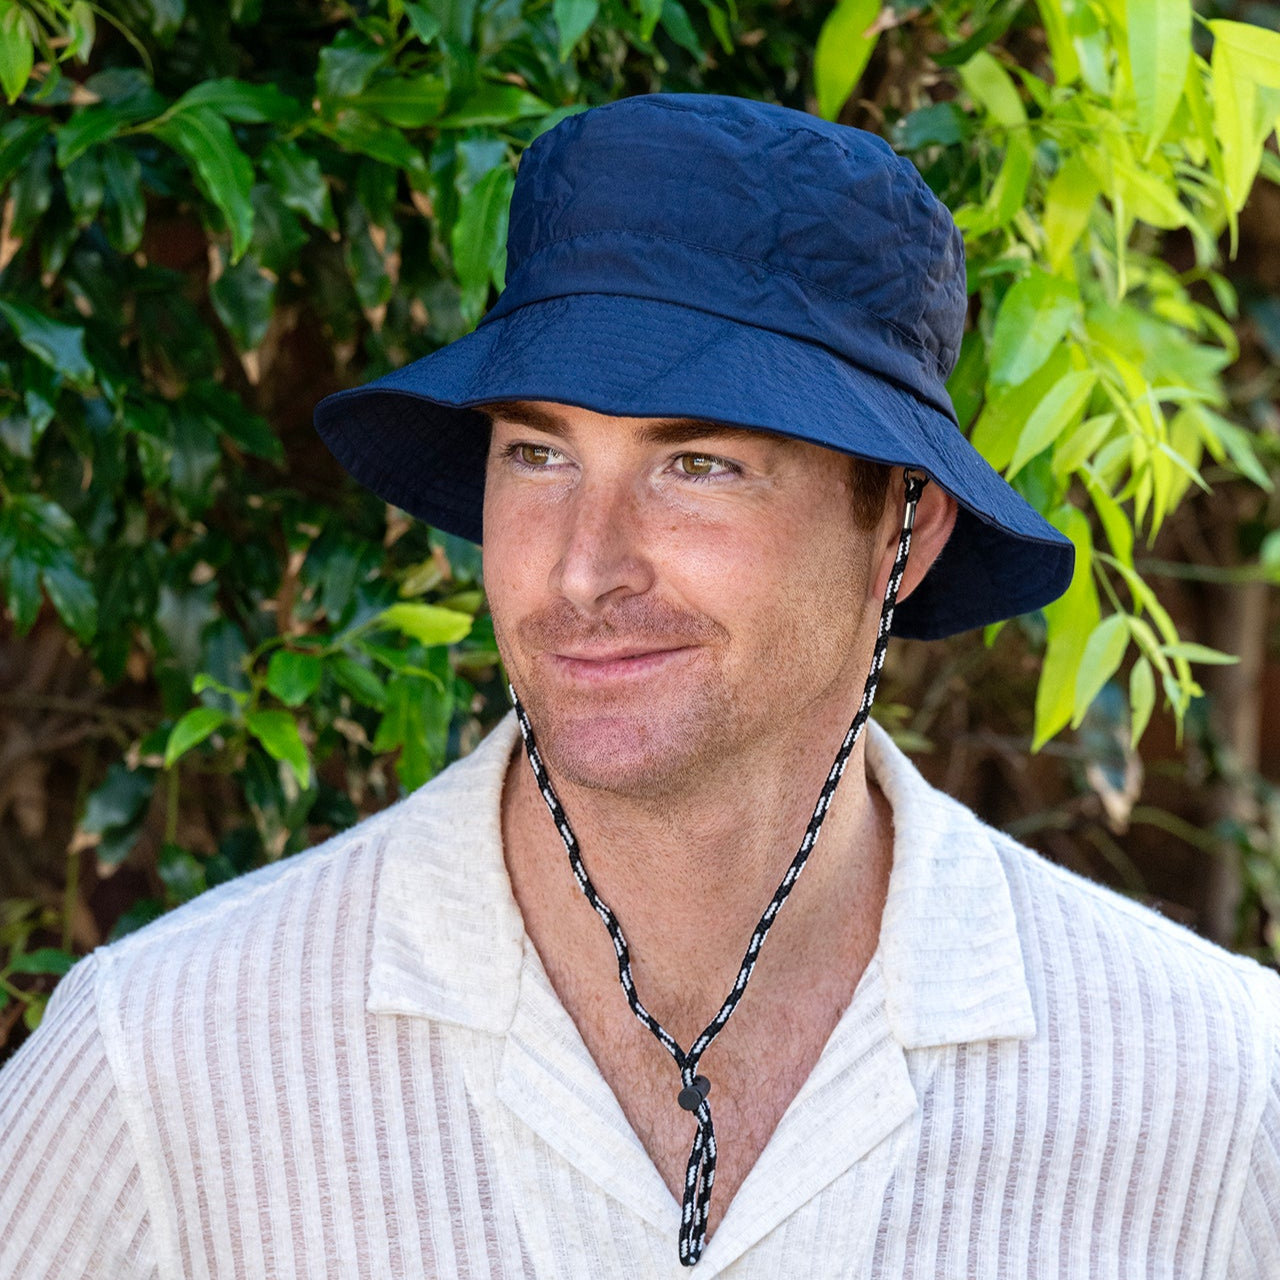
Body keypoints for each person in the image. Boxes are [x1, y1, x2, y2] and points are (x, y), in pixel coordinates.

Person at [1, 93, 1277, 1278]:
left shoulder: (1215, 1096)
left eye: (697, 465)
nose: (582, 566)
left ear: (905, 528)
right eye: (537, 452)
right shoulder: (158, 1065)